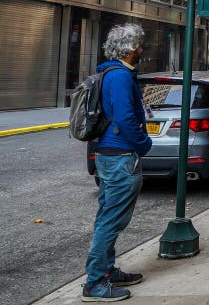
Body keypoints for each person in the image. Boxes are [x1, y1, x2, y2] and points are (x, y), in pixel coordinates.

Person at [83, 24, 152, 302]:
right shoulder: (121, 77)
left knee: (106, 217)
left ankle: (107, 270)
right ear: (130, 48)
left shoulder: (109, 72)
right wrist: (144, 144)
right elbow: (125, 118)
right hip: (120, 156)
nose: (141, 50)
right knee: (111, 221)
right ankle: (95, 282)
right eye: (139, 45)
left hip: (109, 154)